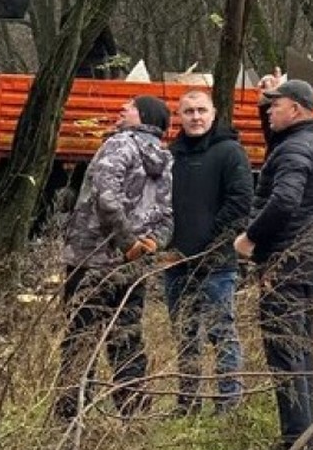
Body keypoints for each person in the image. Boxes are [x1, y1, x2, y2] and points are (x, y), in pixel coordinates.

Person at [234, 75, 313, 450]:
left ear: (295, 109)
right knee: (301, 353)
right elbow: (277, 138)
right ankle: (303, 442)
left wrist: (250, 239)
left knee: (286, 356)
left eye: (275, 105)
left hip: (286, 264)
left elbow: (284, 201)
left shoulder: (295, 151)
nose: (269, 112)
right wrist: (268, 95)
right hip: (308, 261)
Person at [55, 95, 174, 421]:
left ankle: (69, 418)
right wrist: (151, 244)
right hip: (133, 266)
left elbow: (105, 199)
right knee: (126, 337)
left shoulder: (119, 144)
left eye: (130, 106)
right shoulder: (164, 158)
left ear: (144, 116)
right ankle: (134, 415)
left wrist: (127, 244)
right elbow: (167, 216)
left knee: (80, 338)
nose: (122, 108)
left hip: (91, 258)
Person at [165, 90, 253, 415]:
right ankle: (187, 402)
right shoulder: (171, 155)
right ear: (179, 116)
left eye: (201, 110)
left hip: (217, 264)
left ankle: (227, 405)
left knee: (221, 333)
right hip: (176, 262)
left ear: (214, 114)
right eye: (188, 111)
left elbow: (240, 202)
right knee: (185, 334)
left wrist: (212, 246)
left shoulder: (230, 152)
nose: (196, 117)